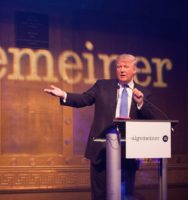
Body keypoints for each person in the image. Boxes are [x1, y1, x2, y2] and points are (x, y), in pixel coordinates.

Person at [44, 54, 163, 200]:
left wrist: (140, 103)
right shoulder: (102, 86)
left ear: (134, 70)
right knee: (100, 194)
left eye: (126, 66)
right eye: (119, 66)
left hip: (128, 152)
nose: (122, 70)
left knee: (125, 194)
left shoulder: (143, 92)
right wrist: (64, 94)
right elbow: (84, 99)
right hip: (101, 150)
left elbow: (152, 118)